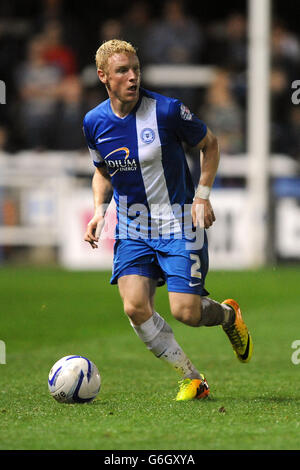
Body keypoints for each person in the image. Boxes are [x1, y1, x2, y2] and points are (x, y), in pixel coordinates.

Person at [83, 39, 253, 401]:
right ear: (103, 77)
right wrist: (99, 210)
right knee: (134, 307)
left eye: (136, 69)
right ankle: (192, 379)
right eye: (122, 71)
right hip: (132, 226)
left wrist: (202, 196)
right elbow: (102, 171)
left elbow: (210, 144)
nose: (132, 77)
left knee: (186, 312)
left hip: (177, 222)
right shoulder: (94, 122)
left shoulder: (167, 110)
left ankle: (227, 317)